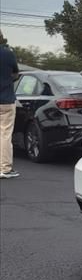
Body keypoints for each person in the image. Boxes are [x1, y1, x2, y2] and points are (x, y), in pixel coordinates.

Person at [0, 30, 20, 179]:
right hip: (6, 100)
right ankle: (5, 168)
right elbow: (15, 74)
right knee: (5, 134)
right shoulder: (8, 54)